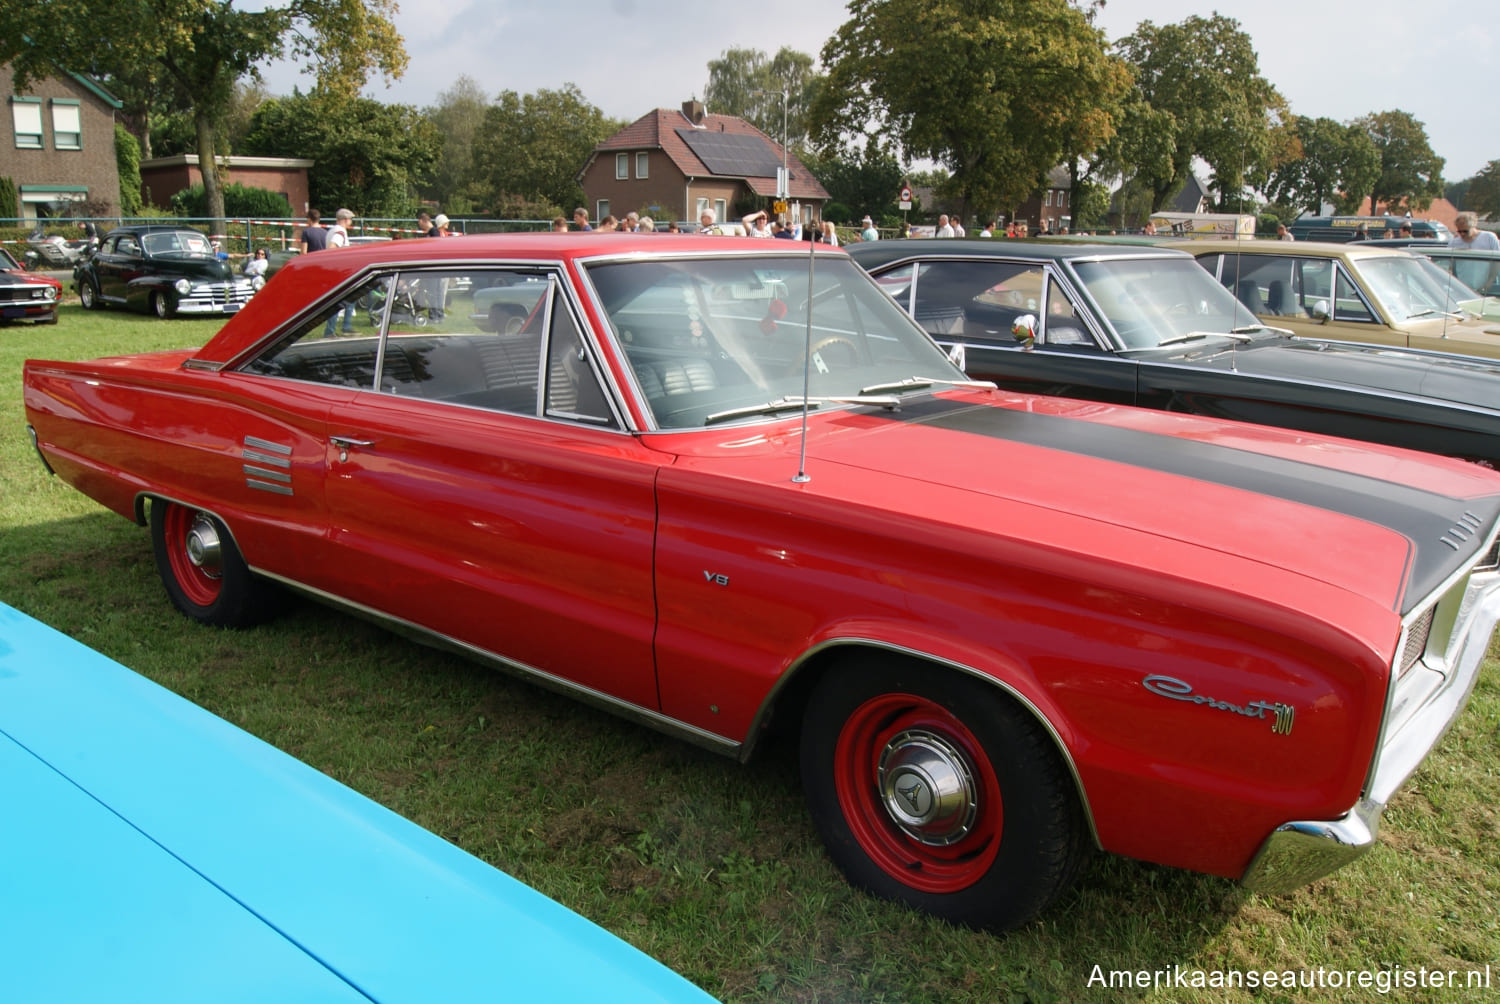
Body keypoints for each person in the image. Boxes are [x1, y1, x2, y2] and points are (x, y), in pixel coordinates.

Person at [323, 210, 357, 336]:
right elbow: (333, 247)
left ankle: (335, 329)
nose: (351, 222)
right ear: (345, 219)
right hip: (340, 271)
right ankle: (339, 328)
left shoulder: (332, 230)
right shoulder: (340, 232)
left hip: (334, 270)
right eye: (350, 219)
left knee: (344, 299)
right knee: (347, 298)